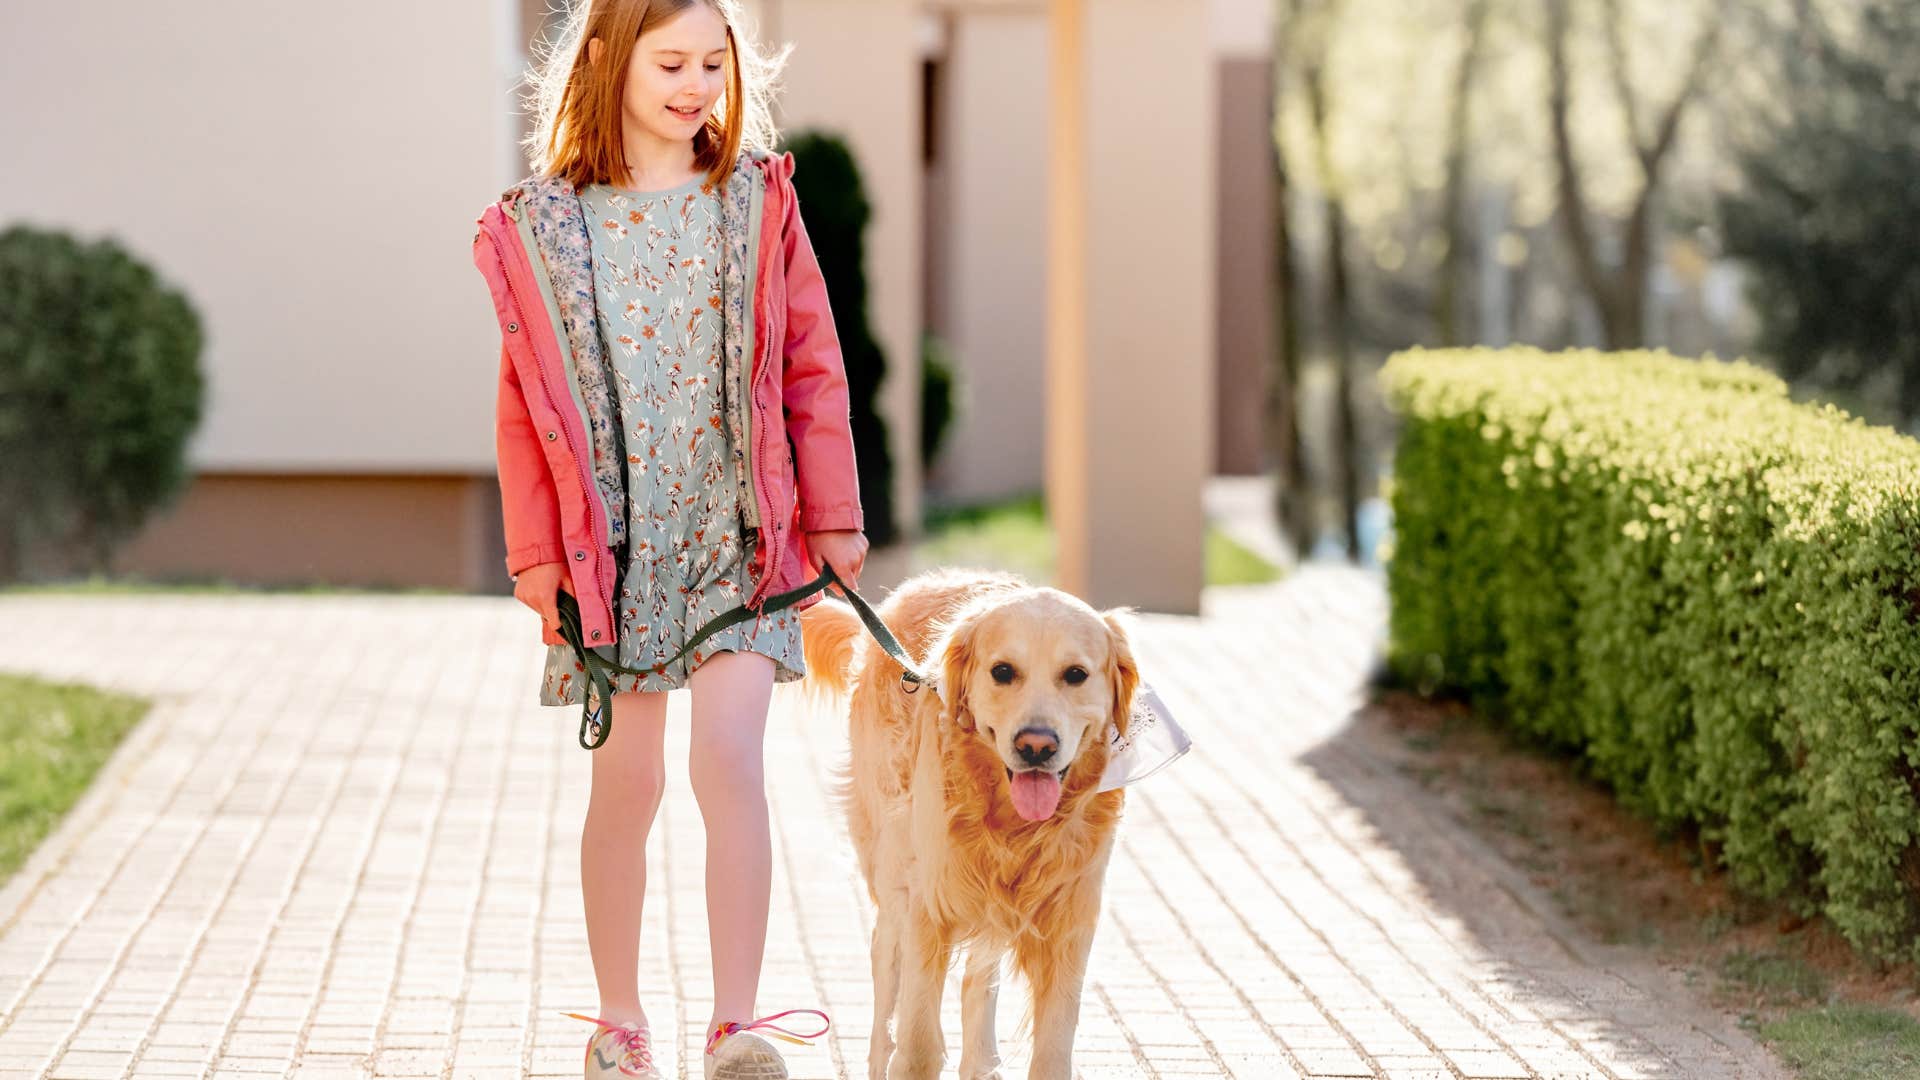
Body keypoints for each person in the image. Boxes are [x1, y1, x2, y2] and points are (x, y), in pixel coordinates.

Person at [471, 1, 867, 1076]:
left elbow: (811, 364)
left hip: (737, 534)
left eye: (712, 63)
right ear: (606, 61)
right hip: (616, 549)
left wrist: (832, 514)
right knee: (628, 782)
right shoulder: (546, 225)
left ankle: (737, 1025)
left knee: (729, 762)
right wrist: (536, 555)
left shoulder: (755, 204)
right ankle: (620, 1021)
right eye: (672, 62)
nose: (695, 85)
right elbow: (522, 408)